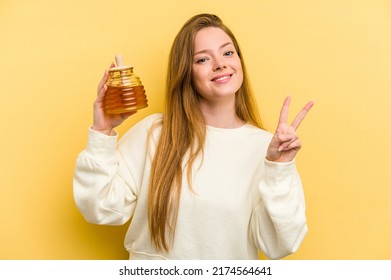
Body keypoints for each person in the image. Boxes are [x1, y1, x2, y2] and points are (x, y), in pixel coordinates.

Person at [73, 13, 314, 260]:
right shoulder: (154, 133)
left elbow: (280, 244)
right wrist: (101, 132)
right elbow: (100, 208)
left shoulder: (267, 150)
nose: (220, 64)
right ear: (186, 73)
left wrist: (279, 169)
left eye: (228, 53)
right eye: (202, 59)